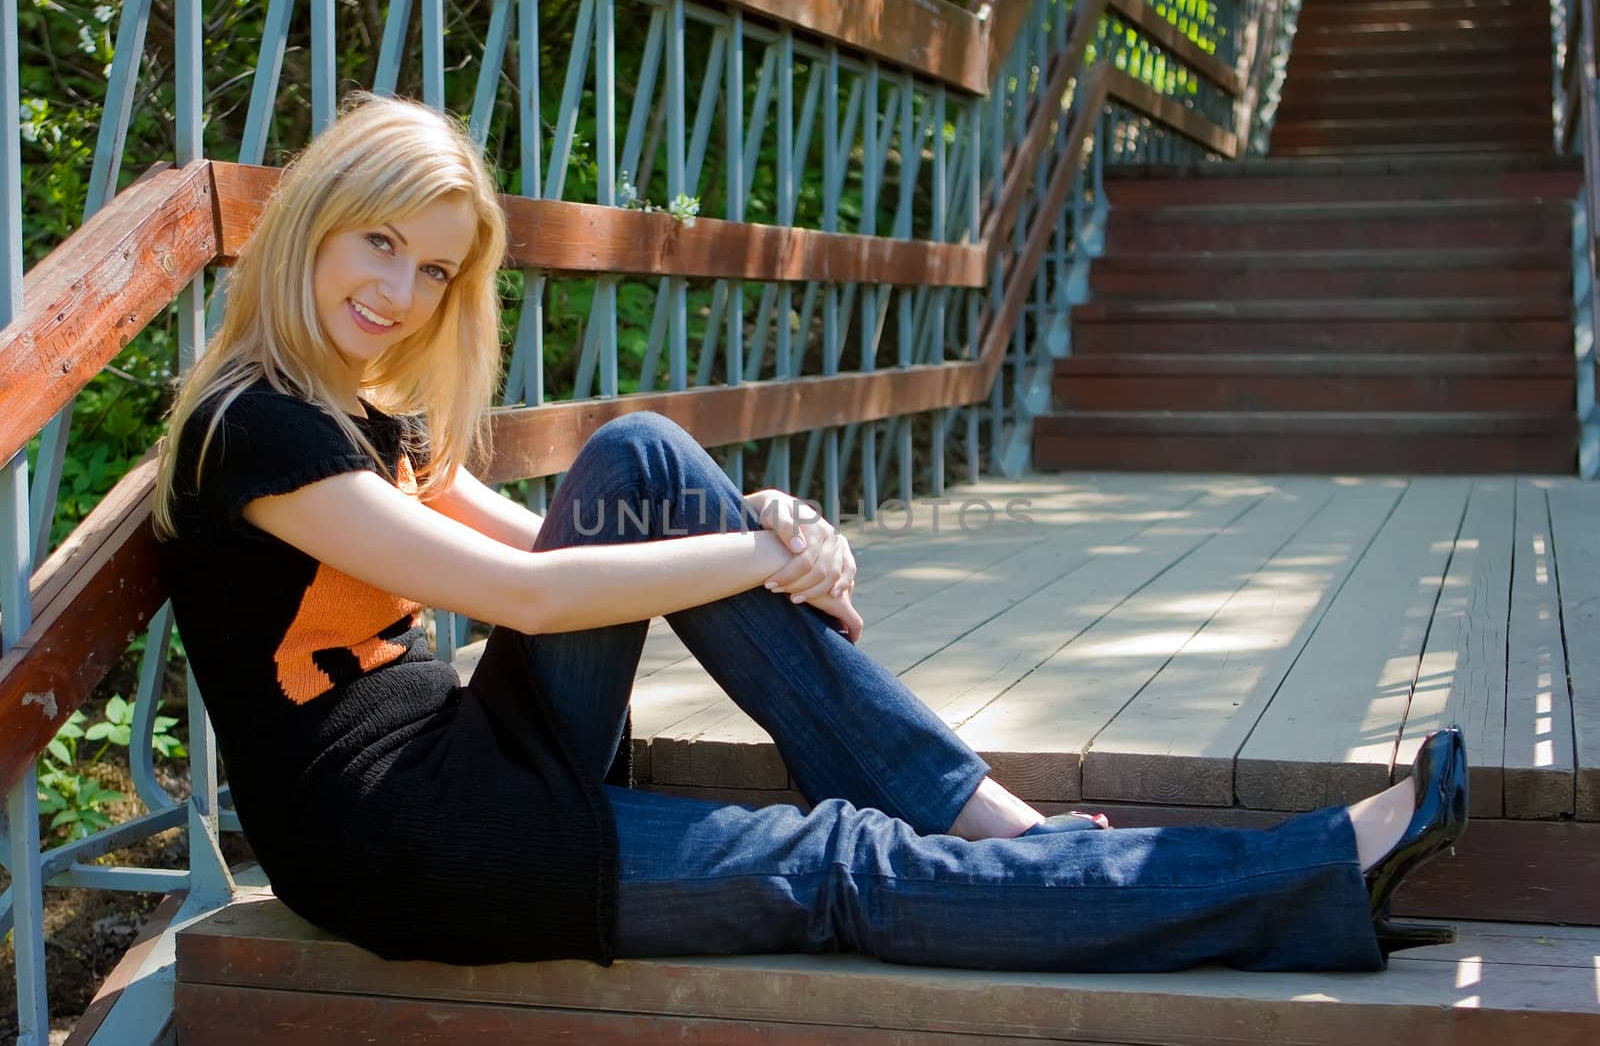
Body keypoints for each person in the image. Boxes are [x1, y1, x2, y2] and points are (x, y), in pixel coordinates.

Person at [153, 94, 1468, 975]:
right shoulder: (256, 433)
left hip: (477, 760)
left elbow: (553, 544)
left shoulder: (345, 409)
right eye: (375, 244)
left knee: (645, 458)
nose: (399, 291)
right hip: (420, 852)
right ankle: (1298, 878)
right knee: (846, 868)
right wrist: (766, 554)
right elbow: (530, 598)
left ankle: (1000, 824)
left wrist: (755, 517)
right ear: (309, 224)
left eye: (432, 270)